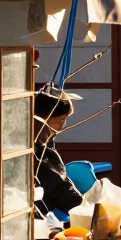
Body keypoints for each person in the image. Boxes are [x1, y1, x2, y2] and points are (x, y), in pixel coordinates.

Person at [34, 87, 83, 215]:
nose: (62, 127)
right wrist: (83, 208)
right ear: (43, 118)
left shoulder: (46, 138)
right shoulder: (35, 143)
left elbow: (61, 180)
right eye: (59, 121)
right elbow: (55, 185)